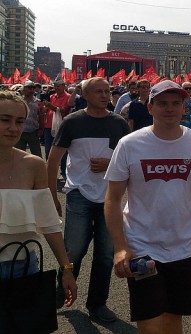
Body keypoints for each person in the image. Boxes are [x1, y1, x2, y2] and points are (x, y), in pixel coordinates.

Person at [104, 80, 191, 333]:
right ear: (150, 107)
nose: (169, 108)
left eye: (176, 103)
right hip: (143, 249)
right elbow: (113, 199)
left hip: (185, 248)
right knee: (150, 324)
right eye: (162, 103)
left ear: (185, 107)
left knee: (173, 320)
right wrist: (120, 247)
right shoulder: (129, 144)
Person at [46, 77, 130, 322]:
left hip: (109, 197)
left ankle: (97, 305)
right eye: (98, 92)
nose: (105, 95)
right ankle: (59, 296)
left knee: (105, 255)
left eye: (107, 91)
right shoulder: (73, 122)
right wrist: (52, 196)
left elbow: (129, 159)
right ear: (85, 95)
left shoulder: (119, 123)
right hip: (79, 194)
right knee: (72, 252)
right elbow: (52, 161)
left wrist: (109, 164)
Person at [0, 91, 77, 314]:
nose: (13, 128)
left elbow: (49, 224)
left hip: (23, 266)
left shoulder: (33, 165)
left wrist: (66, 269)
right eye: (5, 120)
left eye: (19, 121)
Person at [15, 81, 42, 158]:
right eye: (29, 88)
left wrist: (41, 129)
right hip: (20, 131)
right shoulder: (19, 101)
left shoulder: (38, 102)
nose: (32, 90)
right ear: (24, 89)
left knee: (37, 155)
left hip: (33, 132)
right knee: (19, 155)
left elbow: (41, 116)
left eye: (33, 88)